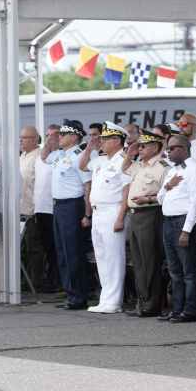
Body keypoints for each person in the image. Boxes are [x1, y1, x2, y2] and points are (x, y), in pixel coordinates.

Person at [79, 122, 131, 313]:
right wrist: (89, 148)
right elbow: (82, 165)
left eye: (105, 139)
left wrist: (120, 217)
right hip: (98, 212)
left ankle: (114, 301)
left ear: (117, 141)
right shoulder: (101, 160)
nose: (101, 141)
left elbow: (126, 191)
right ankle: (105, 299)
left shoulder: (123, 160)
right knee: (101, 257)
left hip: (113, 212)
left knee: (114, 257)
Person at [41, 120, 92, 310]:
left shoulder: (79, 156)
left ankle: (79, 296)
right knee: (62, 252)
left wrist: (87, 214)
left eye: (62, 134)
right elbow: (44, 156)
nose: (59, 137)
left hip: (73, 206)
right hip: (59, 207)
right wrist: (50, 139)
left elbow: (87, 186)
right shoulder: (59, 155)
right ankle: (71, 294)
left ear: (74, 136)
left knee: (73, 252)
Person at [122, 129, 170, 317]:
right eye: (139, 145)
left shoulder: (162, 167)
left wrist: (149, 200)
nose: (140, 148)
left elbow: (166, 195)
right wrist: (130, 153)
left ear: (155, 146)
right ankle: (143, 301)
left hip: (150, 214)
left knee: (150, 260)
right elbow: (124, 168)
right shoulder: (140, 165)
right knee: (139, 261)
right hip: (135, 215)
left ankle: (152, 304)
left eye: (144, 146)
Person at [158, 134, 196, 323]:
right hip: (168, 221)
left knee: (188, 270)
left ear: (184, 149)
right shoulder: (171, 171)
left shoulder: (194, 170)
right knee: (174, 270)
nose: (168, 152)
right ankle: (176, 309)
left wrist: (186, 230)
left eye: (172, 148)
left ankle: (189, 310)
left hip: (183, 222)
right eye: (168, 149)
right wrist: (168, 186)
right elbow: (160, 198)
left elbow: (195, 202)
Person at [34, 124, 60, 292]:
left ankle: (57, 281)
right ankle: (50, 279)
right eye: (48, 134)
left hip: (54, 208)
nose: (50, 138)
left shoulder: (59, 156)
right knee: (45, 246)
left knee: (56, 247)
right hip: (40, 208)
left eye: (54, 135)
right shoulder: (40, 157)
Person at [19, 126, 44, 290]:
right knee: (23, 248)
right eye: (21, 138)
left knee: (34, 248)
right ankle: (24, 280)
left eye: (25, 138)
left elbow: (39, 185)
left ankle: (36, 282)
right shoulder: (22, 156)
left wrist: (36, 208)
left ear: (35, 139)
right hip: (20, 209)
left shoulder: (39, 156)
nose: (21, 141)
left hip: (33, 210)